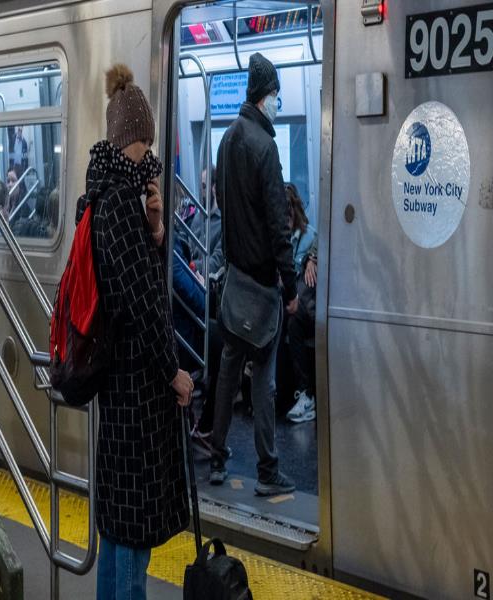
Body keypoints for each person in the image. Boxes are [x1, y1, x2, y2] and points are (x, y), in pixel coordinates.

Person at [89, 63, 191, 600]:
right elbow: (144, 304)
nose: (149, 154)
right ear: (125, 141)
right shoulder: (116, 206)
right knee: (132, 535)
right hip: (136, 392)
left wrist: (156, 229)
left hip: (123, 388)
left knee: (117, 532)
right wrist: (172, 371)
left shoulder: (113, 199)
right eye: (143, 143)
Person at [210, 52, 298, 496]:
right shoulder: (266, 147)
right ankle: (268, 471)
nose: (279, 105)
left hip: (234, 280)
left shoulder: (226, 141)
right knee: (264, 380)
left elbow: (224, 204)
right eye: (277, 97)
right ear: (265, 98)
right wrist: (291, 284)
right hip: (262, 286)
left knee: (228, 372)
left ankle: (217, 457)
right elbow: (279, 223)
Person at [284, 183, 318, 423]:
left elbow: (320, 245)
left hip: (304, 305)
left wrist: (310, 258)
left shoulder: (309, 237)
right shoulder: (278, 238)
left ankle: (306, 394)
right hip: (288, 301)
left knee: (294, 320)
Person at [188, 166, 224, 278]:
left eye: (204, 187)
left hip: (208, 283)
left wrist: (193, 266)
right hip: (192, 276)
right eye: (200, 187)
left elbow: (216, 261)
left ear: (214, 188)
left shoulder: (223, 224)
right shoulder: (197, 218)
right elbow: (188, 248)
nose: (200, 192)